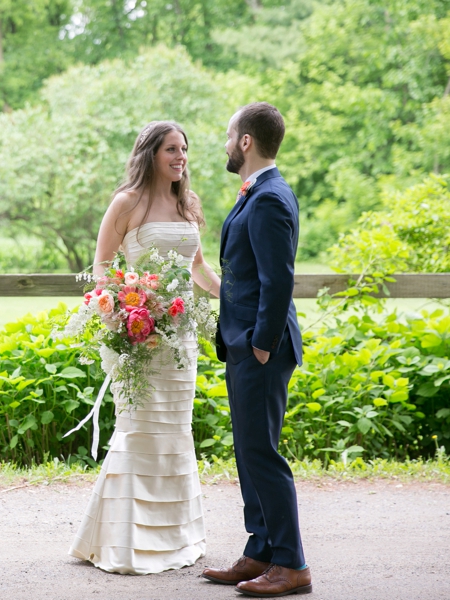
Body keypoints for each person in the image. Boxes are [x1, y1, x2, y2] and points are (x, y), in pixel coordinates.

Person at [68, 121, 221, 575]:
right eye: (172, 149)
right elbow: (102, 270)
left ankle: (175, 539)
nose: (181, 157)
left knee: (175, 432)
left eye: (185, 150)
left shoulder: (186, 204)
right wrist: (120, 317)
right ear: (150, 153)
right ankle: (123, 541)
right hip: (137, 338)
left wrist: (231, 299)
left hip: (181, 337)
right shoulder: (127, 203)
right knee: (139, 430)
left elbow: (197, 266)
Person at [201, 102, 312, 597]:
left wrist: (261, 346)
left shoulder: (268, 197)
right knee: (249, 451)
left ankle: (292, 565)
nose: (225, 144)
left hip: (260, 348)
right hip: (243, 344)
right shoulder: (258, 192)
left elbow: (278, 280)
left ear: (246, 141)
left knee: (262, 453)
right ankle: (261, 550)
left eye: (229, 136)